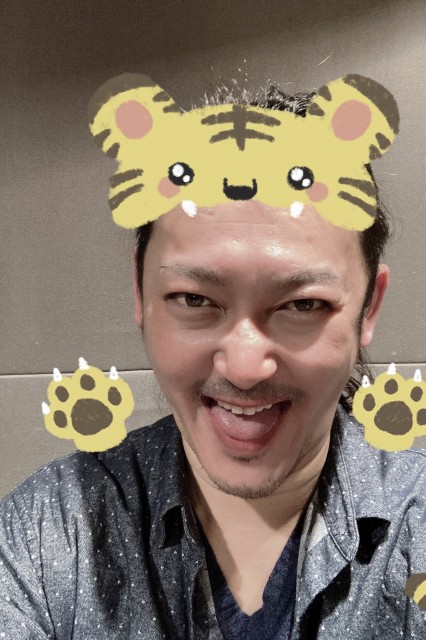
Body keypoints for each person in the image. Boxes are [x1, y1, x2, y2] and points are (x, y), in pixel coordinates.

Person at [1, 84, 426, 640]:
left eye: (302, 305)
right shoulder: (49, 535)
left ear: (369, 307)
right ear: (140, 290)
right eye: (195, 299)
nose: (245, 367)